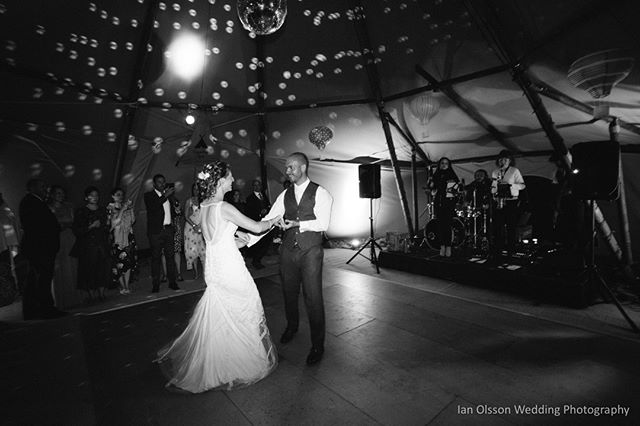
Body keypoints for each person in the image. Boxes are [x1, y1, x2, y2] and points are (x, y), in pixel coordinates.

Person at [156, 161, 281, 393]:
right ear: (220, 181)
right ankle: (243, 363)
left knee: (224, 309)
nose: (233, 181)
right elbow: (256, 227)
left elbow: (213, 237)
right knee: (245, 304)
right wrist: (275, 219)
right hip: (230, 266)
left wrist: (236, 240)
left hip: (215, 265)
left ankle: (223, 361)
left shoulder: (203, 206)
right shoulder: (224, 207)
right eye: (230, 177)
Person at [255, 152, 333, 365]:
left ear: (303, 168)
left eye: (291, 167)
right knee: (289, 292)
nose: (287, 171)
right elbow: (270, 218)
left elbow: (323, 224)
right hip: (288, 251)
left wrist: (298, 224)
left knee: (313, 297)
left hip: (311, 251)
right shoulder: (285, 194)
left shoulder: (321, 193)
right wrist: (249, 238)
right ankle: (292, 326)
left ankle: (318, 344)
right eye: (287, 168)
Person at [19, 178, 65, 319]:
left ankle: (37, 308)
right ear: (33, 188)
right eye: (42, 186)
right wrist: (55, 228)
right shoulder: (31, 203)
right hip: (40, 248)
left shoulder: (36, 203)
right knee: (40, 279)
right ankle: (44, 308)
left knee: (39, 279)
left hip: (41, 248)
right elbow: (39, 225)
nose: (45, 189)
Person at [72, 186, 112, 303]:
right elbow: (77, 230)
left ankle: (102, 293)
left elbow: (107, 226)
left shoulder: (102, 209)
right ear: (86, 197)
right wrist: (91, 226)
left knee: (103, 268)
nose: (94, 198)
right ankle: (91, 294)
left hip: (101, 243)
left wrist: (106, 225)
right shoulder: (81, 211)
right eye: (91, 195)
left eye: (96, 195)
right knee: (88, 269)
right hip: (88, 245)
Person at [144, 174, 180, 293]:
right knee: (156, 258)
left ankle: (172, 282)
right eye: (159, 182)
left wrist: (176, 211)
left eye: (164, 182)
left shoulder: (169, 197)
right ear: (154, 184)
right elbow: (153, 207)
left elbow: (170, 212)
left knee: (170, 257)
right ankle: (156, 284)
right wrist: (165, 195)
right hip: (156, 232)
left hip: (168, 230)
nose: (162, 184)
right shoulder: (149, 196)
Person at [47, 185, 79, 308]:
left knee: (72, 264)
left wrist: (64, 224)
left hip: (69, 237)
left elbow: (73, 221)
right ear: (52, 195)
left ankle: (75, 297)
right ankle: (63, 299)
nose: (61, 196)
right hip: (57, 239)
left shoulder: (69, 206)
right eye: (58, 193)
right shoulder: (48, 208)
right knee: (60, 267)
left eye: (62, 193)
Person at [491, 150, 526, 255]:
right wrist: (493, 191)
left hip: (511, 200)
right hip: (499, 201)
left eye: (506, 159)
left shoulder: (514, 170)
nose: (503, 161)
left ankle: (511, 249)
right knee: (498, 226)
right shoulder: (495, 171)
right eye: (501, 159)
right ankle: (498, 249)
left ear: (510, 160)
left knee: (511, 226)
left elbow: (523, 185)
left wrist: (510, 185)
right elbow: (493, 186)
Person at [427, 157, 460, 257]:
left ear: (449, 165)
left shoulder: (452, 175)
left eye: (446, 163)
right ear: (439, 164)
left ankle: (448, 247)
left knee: (447, 226)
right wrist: (431, 186)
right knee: (440, 226)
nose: (444, 165)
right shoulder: (435, 175)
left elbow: (457, 190)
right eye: (442, 163)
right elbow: (431, 189)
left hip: (448, 204)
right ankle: (442, 247)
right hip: (438, 203)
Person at [107, 187, 137, 295]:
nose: (120, 197)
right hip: (117, 239)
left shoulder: (126, 207)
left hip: (128, 237)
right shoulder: (110, 207)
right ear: (113, 196)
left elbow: (133, 221)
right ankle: (122, 286)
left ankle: (127, 285)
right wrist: (123, 209)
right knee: (118, 263)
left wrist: (130, 209)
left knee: (128, 262)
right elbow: (114, 222)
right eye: (118, 195)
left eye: (121, 195)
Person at [244, 179, 272, 269]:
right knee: (258, 244)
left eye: (258, 185)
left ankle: (258, 258)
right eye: (255, 185)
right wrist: (260, 213)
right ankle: (255, 261)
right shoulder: (250, 198)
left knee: (265, 242)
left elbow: (267, 206)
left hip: (265, 223)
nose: (257, 187)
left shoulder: (263, 195)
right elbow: (249, 212)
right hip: (256, 224)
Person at [183, 183, 206, 280]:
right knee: (193, 251)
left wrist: (200, 226)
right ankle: (196, 273)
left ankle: (205, 274)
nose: (196, 191)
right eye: (194, 189)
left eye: (198, 189)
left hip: (201, 227)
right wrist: (194, 226)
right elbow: (186, 216)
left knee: (203, 251)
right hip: (191, 228)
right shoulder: (189, 201)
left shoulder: (204, 201)